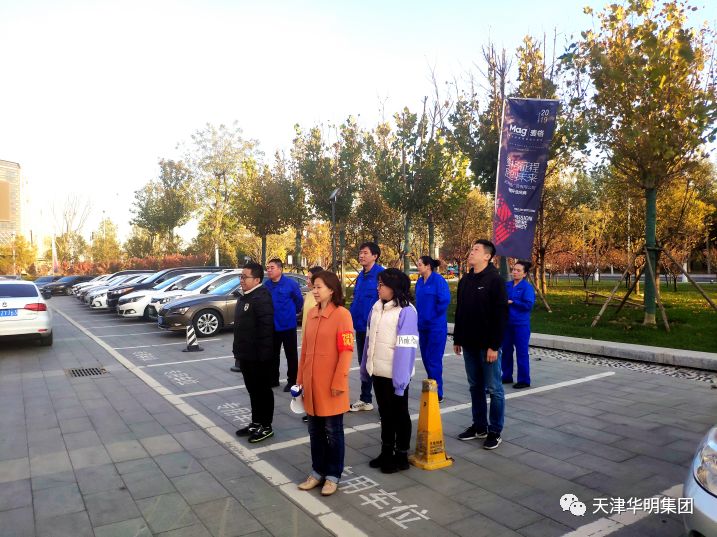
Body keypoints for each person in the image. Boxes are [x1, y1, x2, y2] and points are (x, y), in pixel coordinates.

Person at [297, 271, 354, 496]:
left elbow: (346, 350)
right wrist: (299, 381)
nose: (314, 290)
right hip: (311, 384)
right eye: (313, 287)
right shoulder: (311, 314)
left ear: (331, 289)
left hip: (331, 385)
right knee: (315, 430)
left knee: (333, 430)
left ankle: (333, 475)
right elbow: (304, 351)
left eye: (319, 286)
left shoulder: (342, 315)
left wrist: (339, 380)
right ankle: (317, 471)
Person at [360, 268, 418, 473]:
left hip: (396, 376)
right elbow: (369, 340)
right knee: (385, 414)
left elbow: (406, 349)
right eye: (378, 284)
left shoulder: (407, 311)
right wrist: (365, 367)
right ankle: (386, 451)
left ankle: (401, 454)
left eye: (382, 285)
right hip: (378, 372)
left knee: (399, 414)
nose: (378, 288)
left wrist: (400, 383)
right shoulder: (377, 307)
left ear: (394, 287)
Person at [453, 240, 508, 450]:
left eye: (476, 250)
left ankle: (495, 430)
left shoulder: (495, 280)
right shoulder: (465, 280)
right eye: (471, 249)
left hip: (488, 346)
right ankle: (479, 426)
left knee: (494, 388)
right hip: (469, 343)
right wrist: (458, 338)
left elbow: (501, 316)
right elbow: (460, 311)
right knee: (475, 386)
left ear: (487, 256)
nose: (471, 252)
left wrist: (494, 345)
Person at [233, 262, 275, 443]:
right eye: (241, 276)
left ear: (257, 280)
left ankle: (266, 426)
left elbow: (266, 330)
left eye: (245, 277)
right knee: (253, 390)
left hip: (259, 357)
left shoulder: (261, 297)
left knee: (263, 391)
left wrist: (264, 356)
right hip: (246, 355)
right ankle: (256, 422)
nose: (241, 280)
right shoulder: (245, 296)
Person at [349, 242, 385, 412]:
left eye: (365, 253)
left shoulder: (381, 275)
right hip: (361, 327)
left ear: (375, 256)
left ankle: (385, 405)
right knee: (364, 364)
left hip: (376, 329)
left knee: (377, 365)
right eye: (360, 252)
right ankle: (365, 399)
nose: (361, 255)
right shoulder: (361, 276)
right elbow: (356, 299)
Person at [415, 255, 451, 402]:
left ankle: (438, 393)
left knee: (434, 359)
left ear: (428, 266)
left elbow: (444, 301)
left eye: (420, 264)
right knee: (425, 358)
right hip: (422, 326)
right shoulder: (419, 282)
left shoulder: (438, 280)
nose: (417, 267)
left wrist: (432, 316)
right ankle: (432, 387)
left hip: (436, 327)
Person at [265, 258, 304, 392]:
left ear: (280, 269)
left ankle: (292, 381)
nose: (269, 270)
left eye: (272, 268)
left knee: (291, 355)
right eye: (268, 268)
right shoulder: (266, 285)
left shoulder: (290, 284)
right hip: (272, 326)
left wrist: (293, 312)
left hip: (288, 325)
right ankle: (273, 379)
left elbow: (299, 301)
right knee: (272, 354)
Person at [502, 260, 536, 389]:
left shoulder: (527, 287)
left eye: (518, 270)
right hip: (506, 324)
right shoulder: (507, 285)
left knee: (521, 352)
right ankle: (506, 376)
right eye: (514, 269)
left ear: (524, 274)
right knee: (506, 350)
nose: (514, 272)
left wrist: (513, 302)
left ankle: (524, 380)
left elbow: (528, 305)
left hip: (520, 325)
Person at [300, 266, 324, 423]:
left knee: (317, 378)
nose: (307, 280)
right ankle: (310, 408)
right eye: (307, 278)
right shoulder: (308, 295)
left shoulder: (321, 298)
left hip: (318, 343)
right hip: (306, 340)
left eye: (310, 278)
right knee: (307, 376)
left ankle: (319, 409)